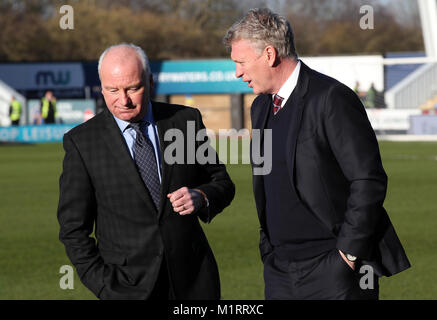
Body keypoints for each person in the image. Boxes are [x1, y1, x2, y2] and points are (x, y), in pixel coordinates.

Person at [223, 8, 410, 300]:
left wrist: (348, 254)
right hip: (279, 269)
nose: (237, 72)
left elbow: (368, 179)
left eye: (241, 62)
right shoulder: (260, 107)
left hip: (334, 269)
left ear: (269, 55)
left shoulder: (331, 98)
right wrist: (269, 249)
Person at [57, 43, 235, 300]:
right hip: (127, 289)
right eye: (112, 90)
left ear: (150, 81)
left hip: (194, 283)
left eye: (133, 88)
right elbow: (73, 229)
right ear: (101, 87)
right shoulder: (82, 142)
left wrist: (201, 196)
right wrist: (105, 286)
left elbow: (222, 183)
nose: (123, 100)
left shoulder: (184, 121)